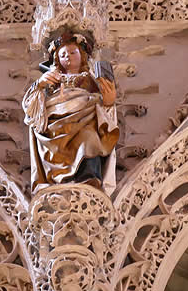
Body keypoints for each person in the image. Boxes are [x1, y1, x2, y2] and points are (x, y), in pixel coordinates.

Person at [22, 31, 119, 192]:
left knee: (89, 137)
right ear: (57, 59)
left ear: (82, 56)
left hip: (85, 117)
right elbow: (31, 109)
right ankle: (57, 179)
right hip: (55, 122)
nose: (68, 56)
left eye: (73, 53)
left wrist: (108, 102)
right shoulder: (51, 79)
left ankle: (89, 178)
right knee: (55, 140)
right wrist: (39, 85)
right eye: (63, 54)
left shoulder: (91, 78)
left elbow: (103, 106)